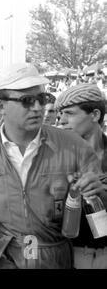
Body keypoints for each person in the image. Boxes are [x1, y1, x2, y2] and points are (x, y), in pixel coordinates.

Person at [0, 62, 106, 269]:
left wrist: (101, 194)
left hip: (55, 259)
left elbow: (101, 214)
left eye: (40, 99)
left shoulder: (74, 146)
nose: (38, 108)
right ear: (1, 106)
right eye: (27, 101)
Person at [55, 83, 107, 268]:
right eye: (60, 114)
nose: (61, 121)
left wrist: (103, 194)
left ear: (94, 115)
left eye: (69, 113)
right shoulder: (55, 158)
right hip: (70, 255)